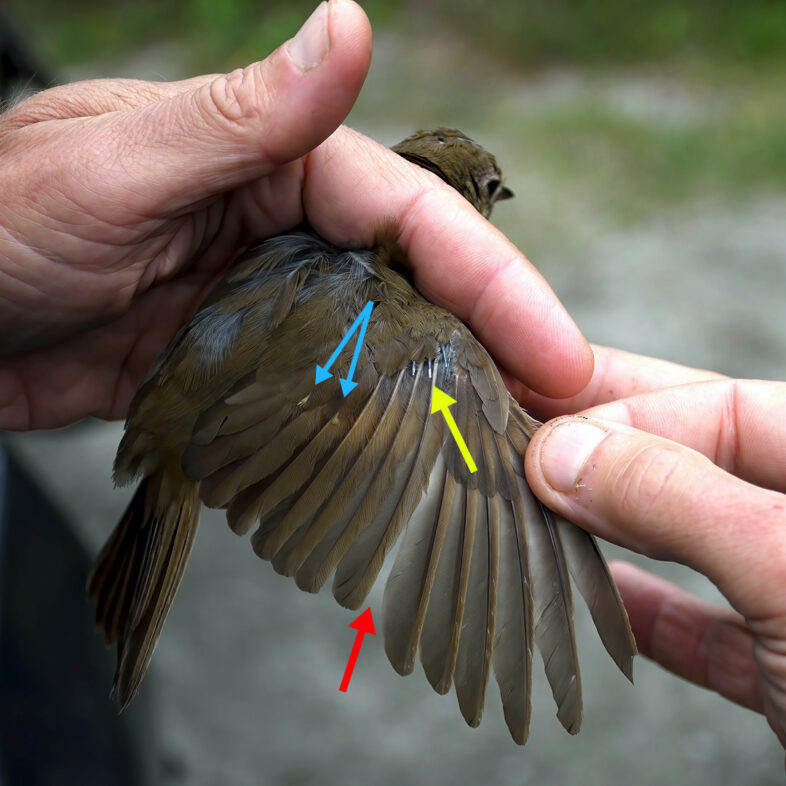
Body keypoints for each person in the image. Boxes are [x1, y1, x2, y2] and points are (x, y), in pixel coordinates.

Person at [0, 0, 784, 759]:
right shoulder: (431, 340)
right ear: (469, 202)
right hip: (197, 422)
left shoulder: (309, 231)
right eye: (489, 191)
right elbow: (457, 462)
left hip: (187, 399)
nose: (495, 202)